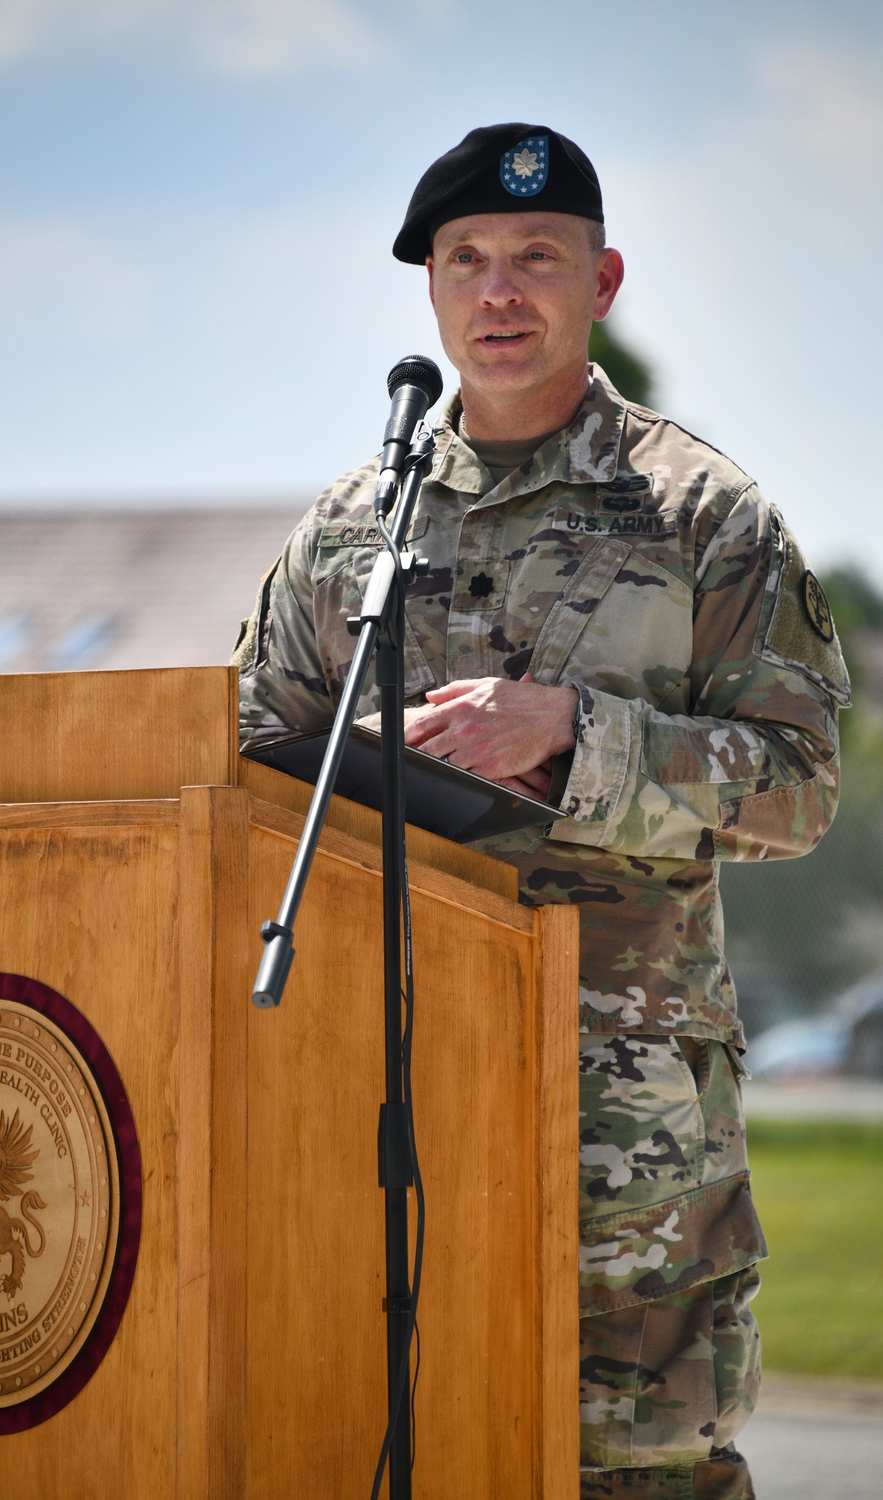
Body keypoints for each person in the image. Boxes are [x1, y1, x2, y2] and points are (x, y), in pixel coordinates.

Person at [234, 123, 850, 1498]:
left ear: (603, 282)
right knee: (383, 1441)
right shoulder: (349, 534)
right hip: (380, 1097)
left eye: (536, 258)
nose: (498, 291)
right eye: (466, 261)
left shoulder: (706, 517)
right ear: (433, 295)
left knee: (638, 1468)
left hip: (620, 1120)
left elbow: (800, 785)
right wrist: (368, 746)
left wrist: (582, 738)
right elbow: (240, 768)